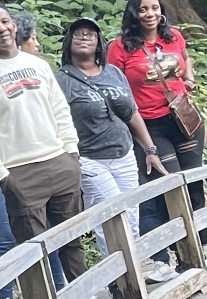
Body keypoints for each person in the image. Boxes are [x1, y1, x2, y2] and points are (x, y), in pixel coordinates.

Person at [0, 2, 118, 299]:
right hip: (19, 172)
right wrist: (4, 177)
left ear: (14, 26)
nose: (1, 28)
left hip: (59, 162)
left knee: (71, 239)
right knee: (34, 250)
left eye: (5, 21)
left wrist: (71, 153)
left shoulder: (38, 65)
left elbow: (60, 110)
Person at [107, 0, 207, 265]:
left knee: (194, 183)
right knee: (172, 187)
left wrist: (189, 79)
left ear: (162, 11)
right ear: (134, 13)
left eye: (155, 8)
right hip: (150, 126)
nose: (150, 14)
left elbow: (185, 58)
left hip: (184, 119)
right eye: (143, 9)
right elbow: (114, 87)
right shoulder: (120, 47)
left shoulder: (174, 37)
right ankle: (185, 254)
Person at [59, 17, 175, 282]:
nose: (84, 37)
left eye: (90, 34)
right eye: (78, 34)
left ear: (99, 43)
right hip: (89, 158)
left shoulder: (113, 73)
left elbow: (132, 113)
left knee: (131, 215)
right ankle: (118, 280)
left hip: (123, 153)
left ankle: (132, 272)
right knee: (111, 214)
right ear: (69, 42)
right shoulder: (61, 80)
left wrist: (150, 149)